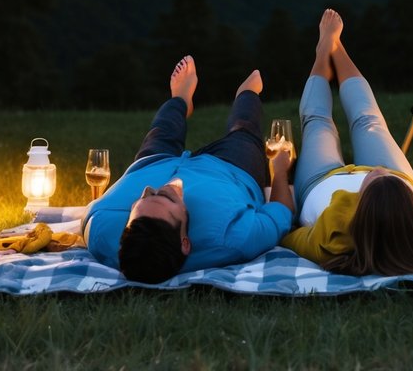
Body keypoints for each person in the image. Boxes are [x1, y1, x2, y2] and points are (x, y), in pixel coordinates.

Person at [82, 56, 294, 282]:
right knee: (244, 129)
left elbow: (91, 212)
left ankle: (181, 99)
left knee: (163, 130)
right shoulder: (235, 240)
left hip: (152, 164)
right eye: (166, 197)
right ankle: (246, 93)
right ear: (185, 242)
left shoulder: (100, 233)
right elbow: (282, 213)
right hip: (230, 170)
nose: (152, 188)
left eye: (142, 198)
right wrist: (280, 170)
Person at [281, 9, 413, 276]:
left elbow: (288, 237)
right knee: (369, 120)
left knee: (317, 122)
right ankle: (336, 46)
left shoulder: (333, 234)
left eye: (374, 179)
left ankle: (321, 55)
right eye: (385, 177)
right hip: (397, 193)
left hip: (322, 182)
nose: (377, 171)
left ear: (359, 208)